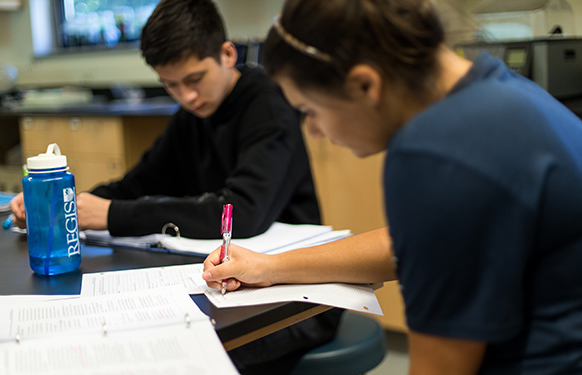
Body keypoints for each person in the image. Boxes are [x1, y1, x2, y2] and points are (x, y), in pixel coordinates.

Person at [203, 0, 582, 374]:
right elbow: (414, 244)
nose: (314, 131)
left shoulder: (437, 154)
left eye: (311, 110)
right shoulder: (496, 89)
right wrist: (271, 267)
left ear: (365, 84)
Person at [9, 0, 342, 373]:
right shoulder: (192, 117)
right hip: (227, 286)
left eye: (195, 79)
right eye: (171, 85)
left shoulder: (268, 107)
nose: (187, 97)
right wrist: (63, 205)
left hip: (295, 301)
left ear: (227, 54)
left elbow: (243, 213)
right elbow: (137, 183)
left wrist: (113, 215)